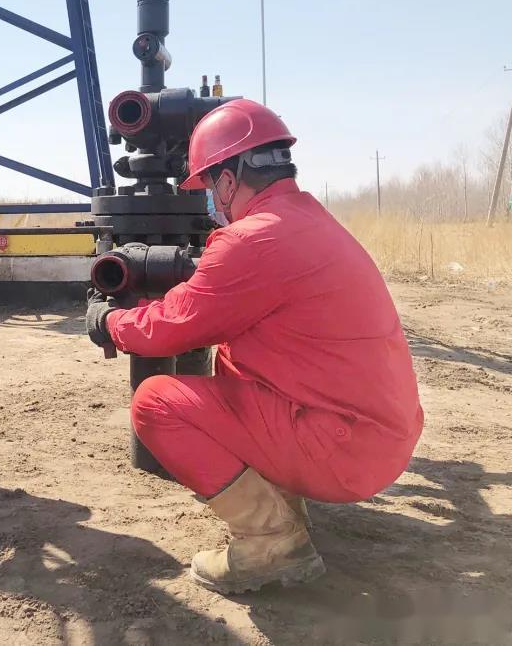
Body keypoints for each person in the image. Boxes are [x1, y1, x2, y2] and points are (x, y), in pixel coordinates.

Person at [86, 99, 423, 593]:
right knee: (234, 364)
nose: (211, 204)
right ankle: (284, 504)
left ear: (227, 180)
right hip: (377, 436)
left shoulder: (253, 240)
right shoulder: (309, 222)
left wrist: (110, 321)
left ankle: (271, 542)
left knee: (157, 403)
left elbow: (173, 326)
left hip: (343, 452)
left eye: (208, 189)